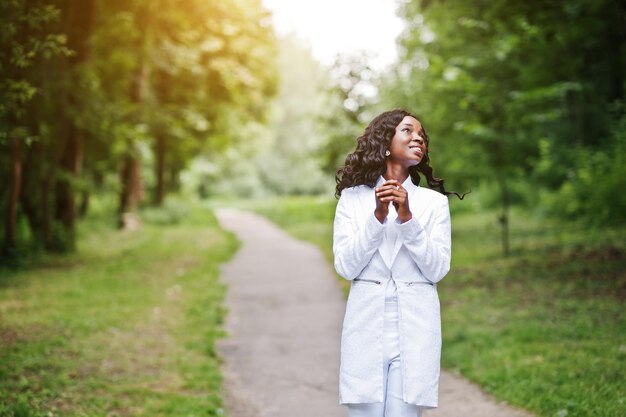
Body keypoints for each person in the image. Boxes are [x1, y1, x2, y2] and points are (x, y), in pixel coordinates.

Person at [333, 109, 462, 417]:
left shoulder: (434, 204)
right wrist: (376, 217)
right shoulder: (353, 199)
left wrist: (407, 219)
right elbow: (346, 267)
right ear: (386, 143)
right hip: (365, 326)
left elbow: (437, 269)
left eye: (422, 135)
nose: (418, 137)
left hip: (416, 327)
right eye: (408, 131)